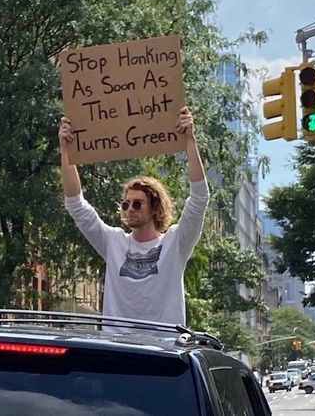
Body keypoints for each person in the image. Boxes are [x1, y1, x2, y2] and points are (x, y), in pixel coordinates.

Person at [59, 106, 209, 325]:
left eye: (137, 204)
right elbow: (76, 205)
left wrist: (189, 140)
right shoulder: (113, 241)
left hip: (164, 352)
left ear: (155, 208)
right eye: (125, 204)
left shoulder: (175, 243)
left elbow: (199, 198)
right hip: (120, 352)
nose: (129, 209)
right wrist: (66, 151)